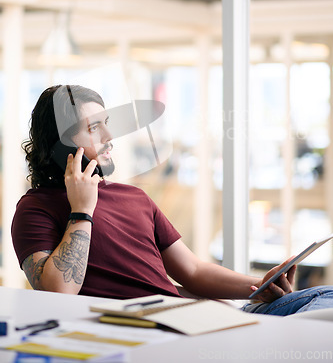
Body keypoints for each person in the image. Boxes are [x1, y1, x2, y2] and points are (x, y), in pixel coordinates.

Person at [12, 85, 333, 315]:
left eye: (107, 125)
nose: (110, 137)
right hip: (159, 330)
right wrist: (82, 210)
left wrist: (260, 285)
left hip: (203, 317)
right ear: (61, 143)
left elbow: (192, 271)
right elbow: (58, 292)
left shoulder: (133, 197)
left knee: (325, 300)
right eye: (94, 128)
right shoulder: (35, 209)